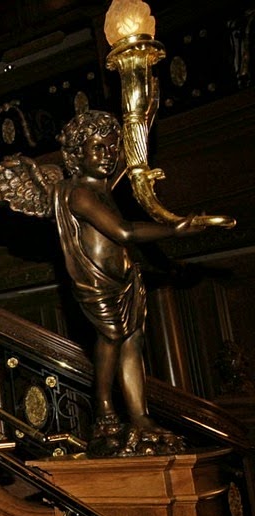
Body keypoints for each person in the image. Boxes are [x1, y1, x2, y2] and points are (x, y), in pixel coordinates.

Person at [54, 110, 204, 454]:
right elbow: (124, 231)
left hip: (125, 278)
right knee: (110, 337)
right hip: (98, 282)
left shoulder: (106, 188)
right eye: (97, 147)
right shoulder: (80, 194)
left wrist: (143, 109)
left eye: (111, 147)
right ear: (78, 155)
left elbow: (136, 149)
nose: (106, 154)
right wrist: (176, 228)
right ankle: (105, 407)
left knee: (132, 342)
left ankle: (138, 413)